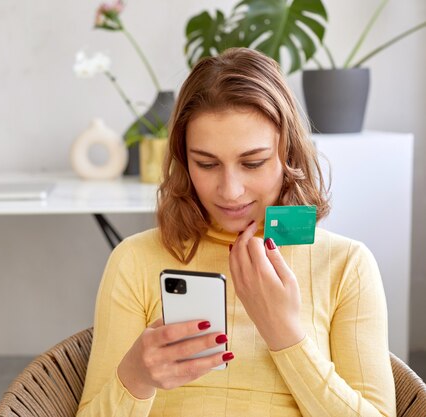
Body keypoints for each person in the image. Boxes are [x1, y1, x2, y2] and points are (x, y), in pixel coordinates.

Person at [76, 47, 396, 416]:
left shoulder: (347, 265)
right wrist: (135, 377)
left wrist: (285, 336)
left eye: (253, 162)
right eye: (207, 163)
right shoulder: (134, 260)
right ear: (183, 159)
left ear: (288, 154)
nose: (230, 190)